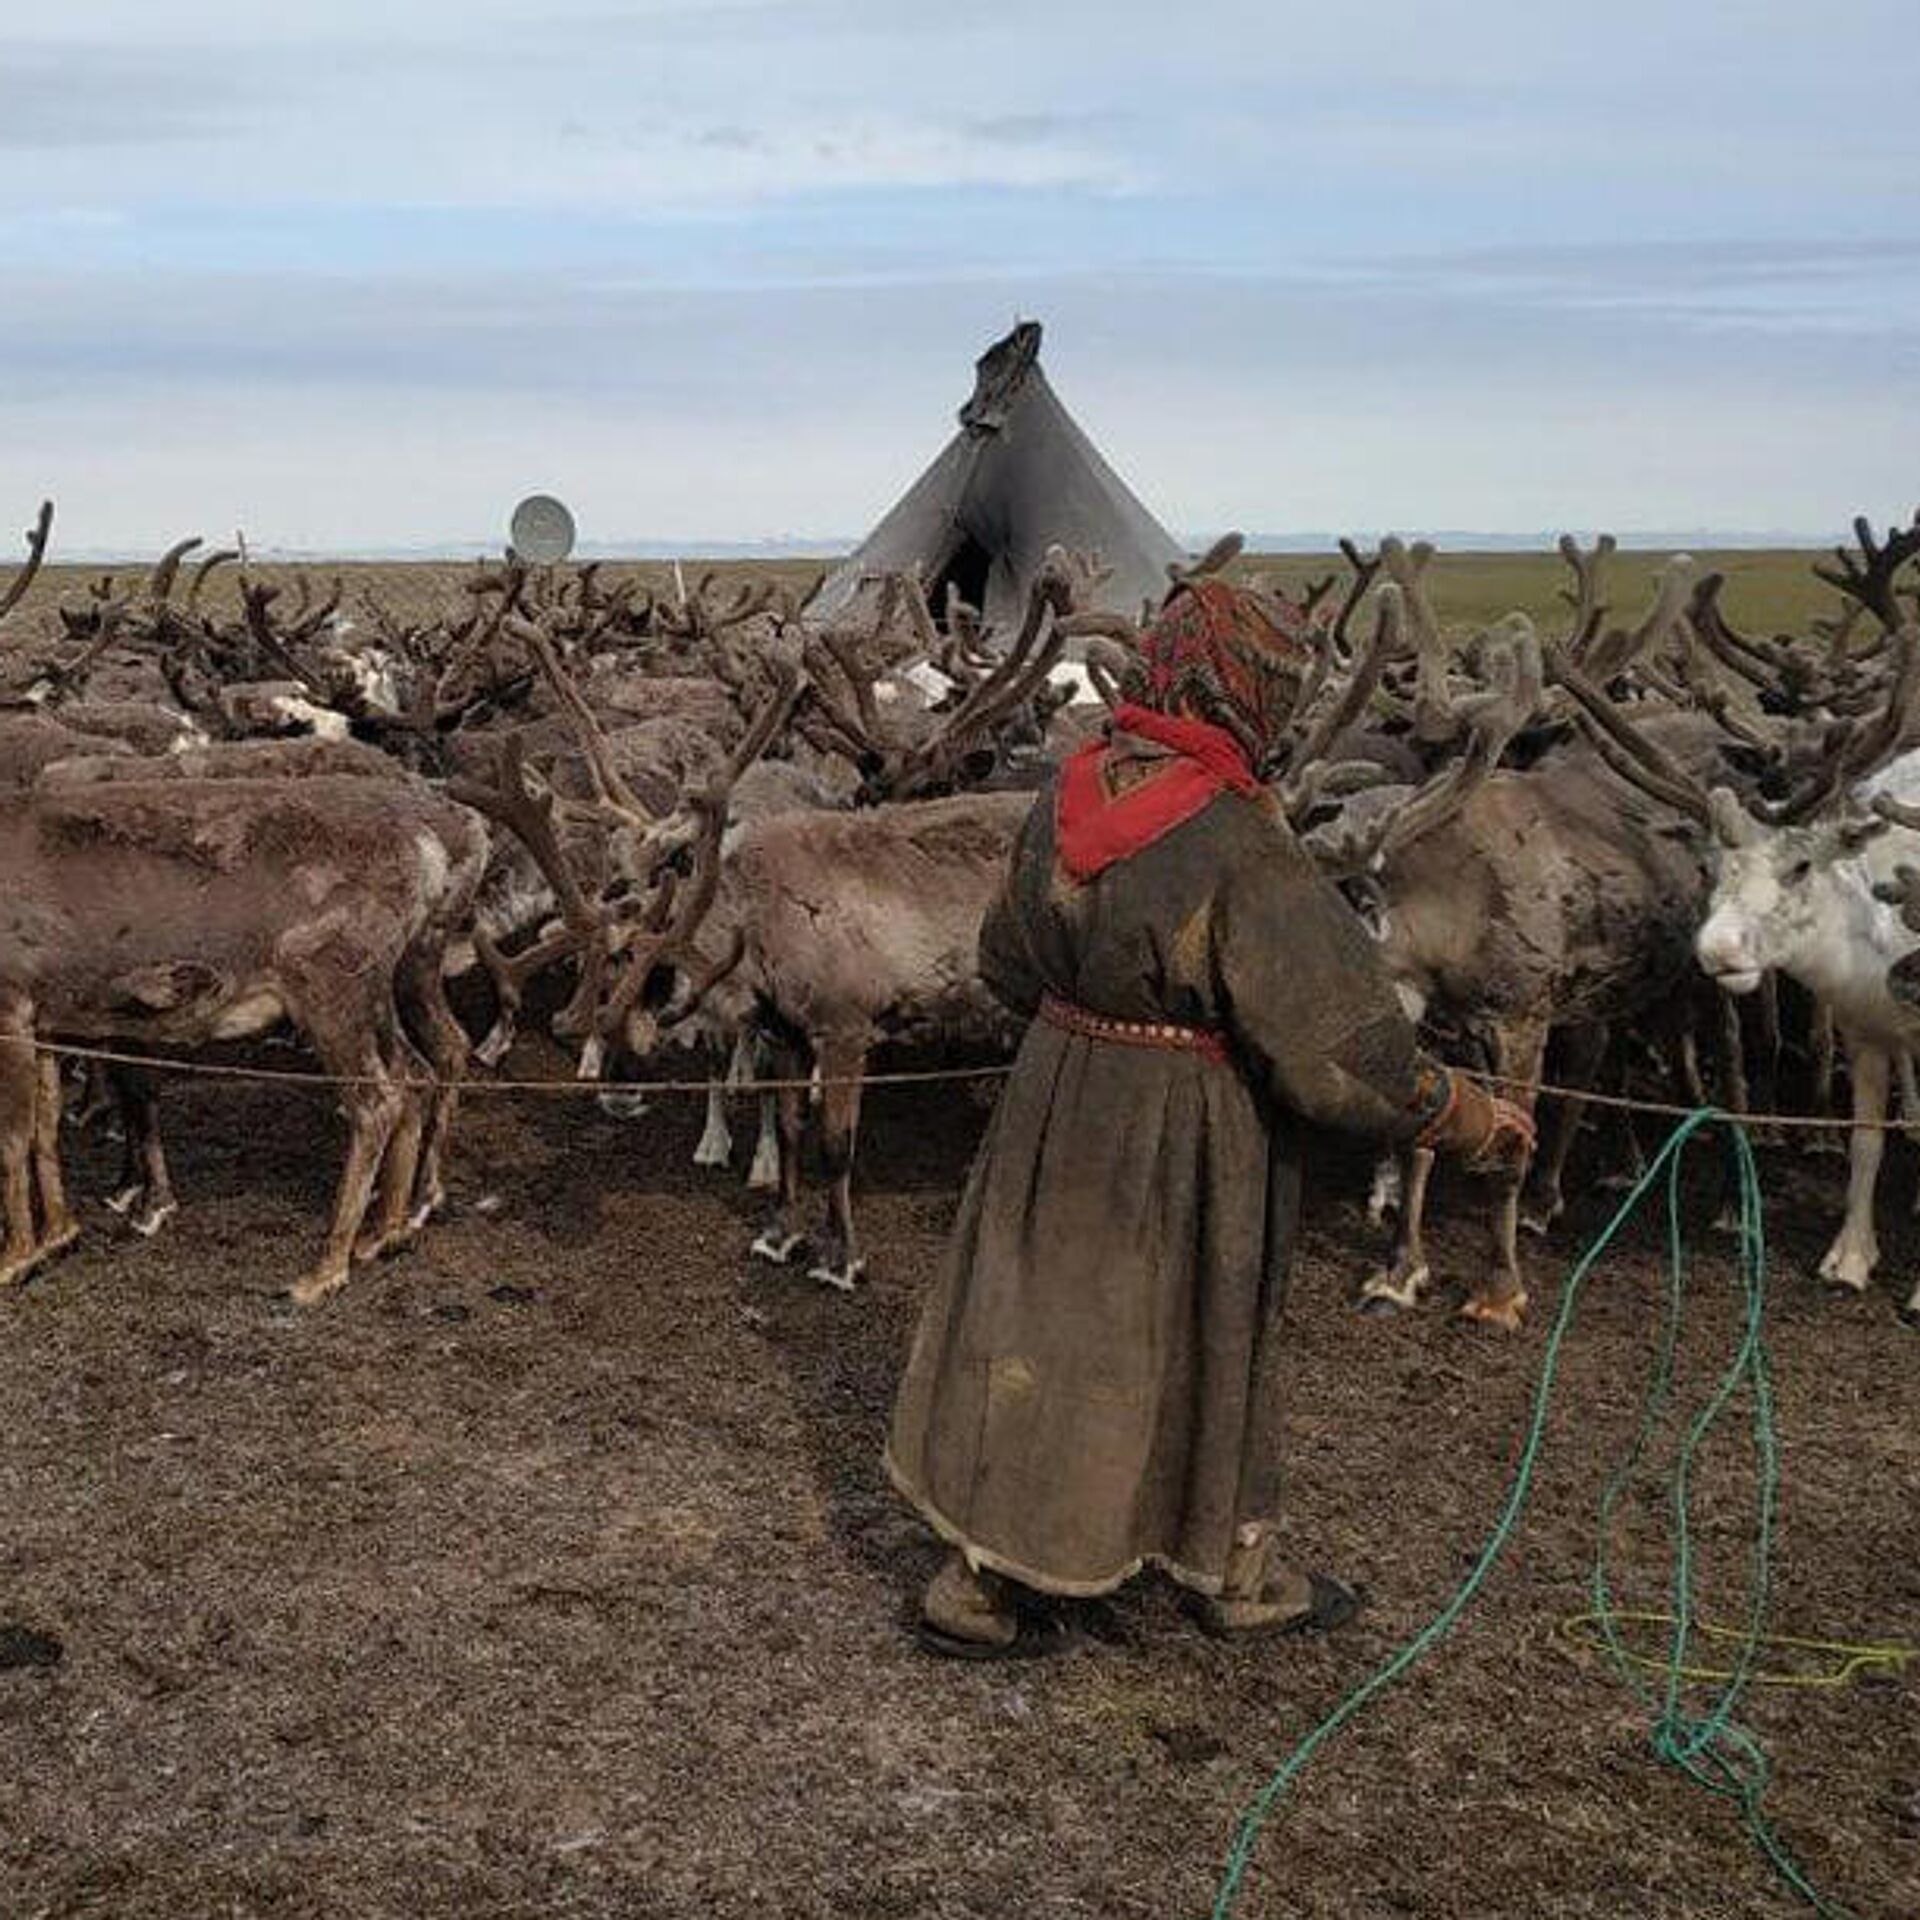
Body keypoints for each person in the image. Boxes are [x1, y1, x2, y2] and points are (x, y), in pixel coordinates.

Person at [884, 574, 1534, 1657]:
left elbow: (1004, 958)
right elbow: (1338, 1047)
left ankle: (981, 1582)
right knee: (1194, 1332)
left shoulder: (1068, 787)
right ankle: (1234, 1571)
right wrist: (1463, 1115)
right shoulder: (1238, 837)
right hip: (1183, 1126)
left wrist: (1085, 1023)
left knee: (1028, 1322)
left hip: (1053, 1095)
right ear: (1248, 695)